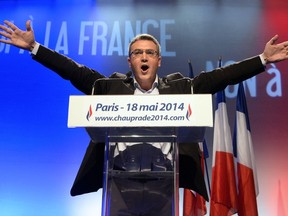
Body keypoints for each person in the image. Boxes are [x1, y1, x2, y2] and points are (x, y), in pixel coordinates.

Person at [1, 20, 288, 215]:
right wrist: (35, 48)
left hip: (164, 181)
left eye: (150, 52)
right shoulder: (108, 87)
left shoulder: (181, 88)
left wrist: (261, 60)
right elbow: (73, 71)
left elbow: (221, 77)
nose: (144, 57)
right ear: (130, 61)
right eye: (137, 53)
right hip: (119, 181)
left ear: (159, 61)